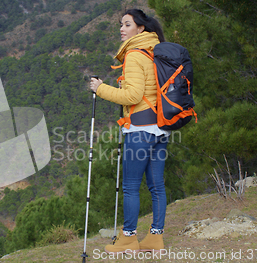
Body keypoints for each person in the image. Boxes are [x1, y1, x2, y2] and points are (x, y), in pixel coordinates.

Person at [89, 9, 169, 254]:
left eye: (127, 24)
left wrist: (100, 88)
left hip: (139, 130)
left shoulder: (135, 55)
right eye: (120, 25)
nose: (122, 29)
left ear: (141, 28)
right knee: (157, 186)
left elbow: (133, 95)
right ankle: (155, 238)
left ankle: (128, 239)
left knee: (131, 186)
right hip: (160, 129)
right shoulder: (156, 50)